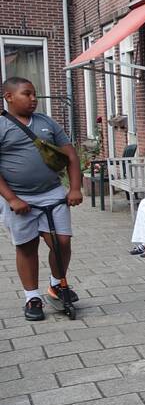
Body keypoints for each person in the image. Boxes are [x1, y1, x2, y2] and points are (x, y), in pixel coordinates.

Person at [0, 77, 83, 320]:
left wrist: (75, 188)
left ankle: (56, 284)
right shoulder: (2, 125)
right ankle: (32, 297)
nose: (34, 98)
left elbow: (71, 156)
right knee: (26, 247)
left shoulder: (46, 122)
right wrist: (12, 199)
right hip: (19, 197)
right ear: (8, 97)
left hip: (52, 194)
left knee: (63, 241)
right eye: (27, 94)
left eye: (34, 94)